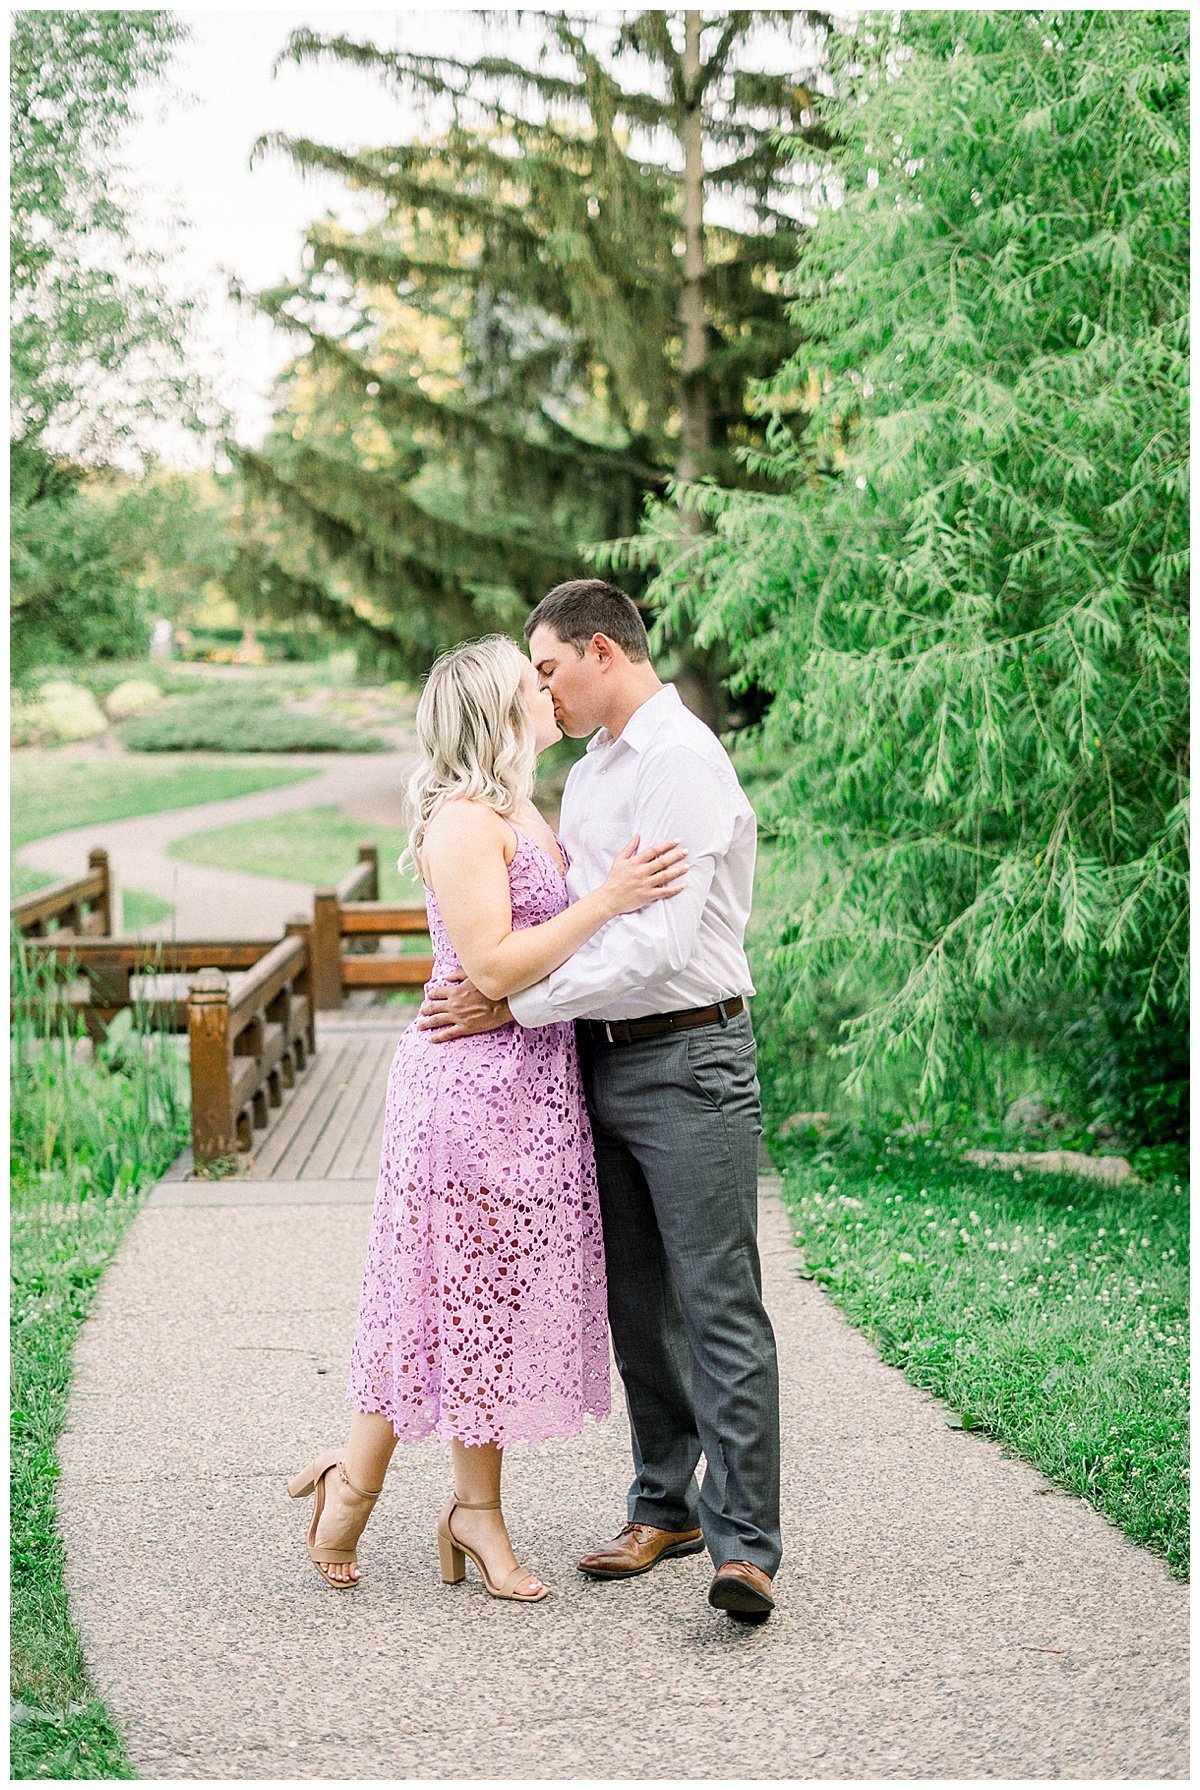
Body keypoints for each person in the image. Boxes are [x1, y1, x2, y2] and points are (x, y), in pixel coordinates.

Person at [287, 634, 687, 1600]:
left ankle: (429, 1501)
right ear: (498, 712)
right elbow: (496, 967)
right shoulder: (464, 821)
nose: (548, 690)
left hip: (532, 1086)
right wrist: (609, 899)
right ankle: (380, 1493)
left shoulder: (525, 810)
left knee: (483, 1303)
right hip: (467, 1094)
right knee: (452, 1295)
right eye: (530, 682)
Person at [419, 579, 782, 1624]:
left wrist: (515, 1001)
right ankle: (662, 1505)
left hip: (692, 1057)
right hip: (599, 1060)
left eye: (548, 669)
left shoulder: (683, 763)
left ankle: (746, 1545)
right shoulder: (588, 778)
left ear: (602, 652)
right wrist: (525, 996)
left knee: (717, 1299)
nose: (542, 691)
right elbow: (581, 916)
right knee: (637, 1301)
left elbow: (656, 941)